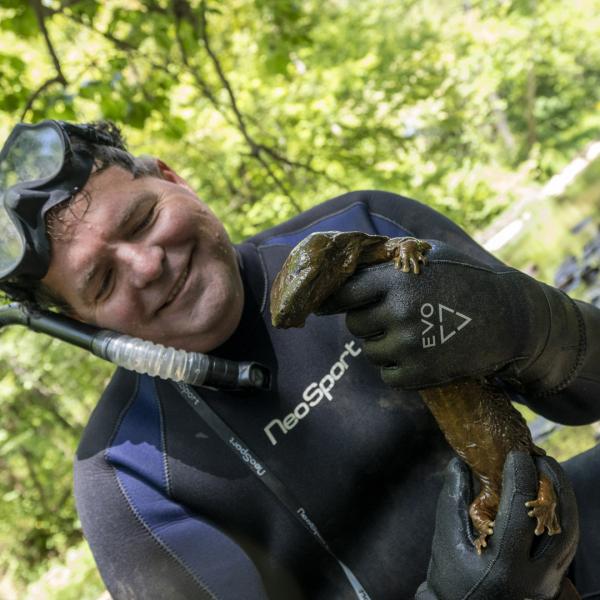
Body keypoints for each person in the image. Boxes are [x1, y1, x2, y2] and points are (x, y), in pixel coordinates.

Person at [1, 119, 599, 600]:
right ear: (84, 321)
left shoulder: (365, 232)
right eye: (103, 281)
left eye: (144, 219)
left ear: (173, 178)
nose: (148, 265)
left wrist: (524, 323)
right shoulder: (125, 481)